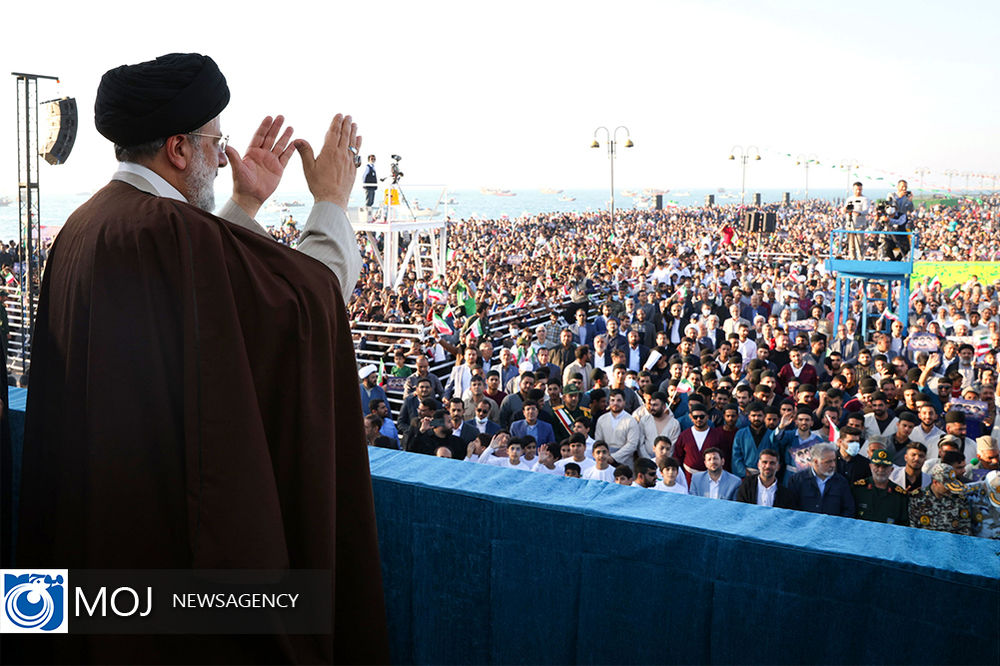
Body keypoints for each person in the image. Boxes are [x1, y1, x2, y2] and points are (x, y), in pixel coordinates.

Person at [15, 52, 386, 664]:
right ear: (179, 150)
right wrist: (331, 203)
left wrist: (241, 209)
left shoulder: (81, 229)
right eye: (217, 141)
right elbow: (306, 310)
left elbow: (206, 306)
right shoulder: (171, 233)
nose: (225, 156)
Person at [788, 443, 856, 517]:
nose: (833, 465)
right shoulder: (798, 480)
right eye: (828, 462)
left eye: (834, 460)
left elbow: (849, 509)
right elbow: (791, 508)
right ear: (816, 462)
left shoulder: (841, 482)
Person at [908, 462, 974, 535]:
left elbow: (965, 528)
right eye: (947, 487)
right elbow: (912, 527)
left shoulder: (959, 499)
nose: (950, 490)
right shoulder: (917, 497)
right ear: (935, 482)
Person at [851, 449, 910, 525]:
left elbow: (903, 525)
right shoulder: (857, 489)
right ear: (870, 466)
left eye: (885, 467)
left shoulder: (900, 495)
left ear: (892, 469)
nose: (881, 470)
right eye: (877, 466)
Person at [843, 181, 870, 260]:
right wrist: (845, 210)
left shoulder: (865, 199)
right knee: (851, 246)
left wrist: (858, 213)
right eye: (856, 189)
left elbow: (866, 211)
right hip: (850, 225)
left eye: (860, 189)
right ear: (853, 189)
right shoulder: (849, 199)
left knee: (859, 245)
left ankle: (860, 259)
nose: (858, 191)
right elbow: (845, 209)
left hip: (859, 226)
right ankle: (852, 259)